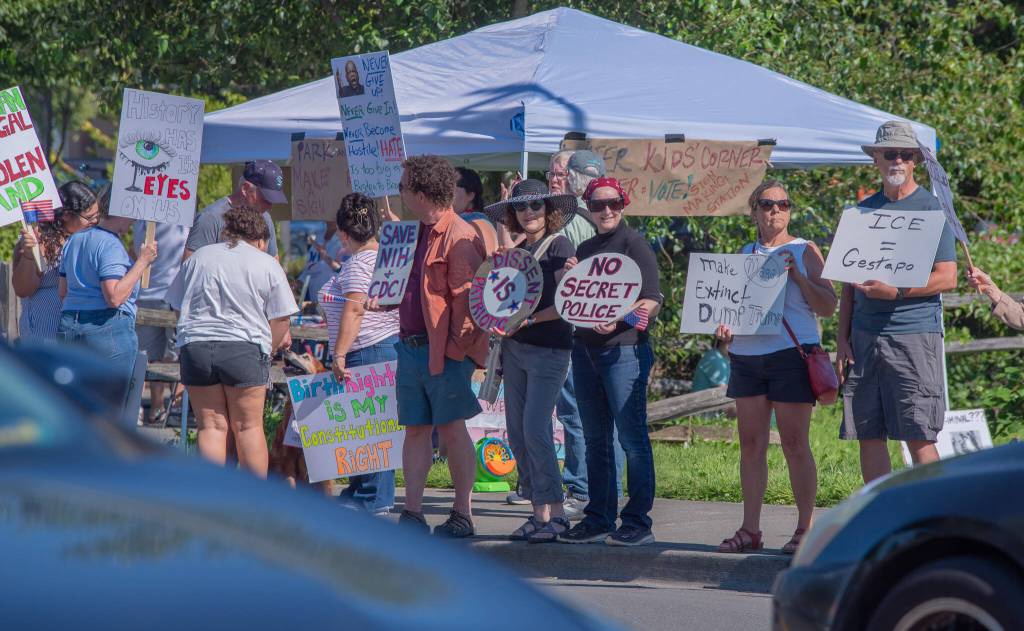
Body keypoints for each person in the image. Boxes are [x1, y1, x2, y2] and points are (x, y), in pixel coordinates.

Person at [714, 180, 837, 555]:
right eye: (767, 204)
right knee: (750, 444)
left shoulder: (805, 250)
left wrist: (798, 278)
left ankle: (805, 528)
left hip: (790, 355)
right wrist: (724, 329)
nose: (775, 211)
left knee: (795, 443)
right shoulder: (745, 253)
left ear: (790, 210)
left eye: (783, 204)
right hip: (748, 356)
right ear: (754, 210)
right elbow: (731, 308)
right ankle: (750, 528)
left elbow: (829, 305)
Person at [369, 155, 487, 538]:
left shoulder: (460, 236)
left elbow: (469, 305)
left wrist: (454, 354)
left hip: (445, 353)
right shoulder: (411, 231)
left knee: (452, 429)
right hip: (410, 347)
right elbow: (400, 290)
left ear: (420, 193)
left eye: (403, 187)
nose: (399, 192)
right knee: (416, 429)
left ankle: (462, 513)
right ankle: (413, 513)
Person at [836, 120, 958, 483]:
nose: (898, 161)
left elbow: (947, 276)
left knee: (919, 433)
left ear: (916, 162)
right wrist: (841, 340)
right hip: (863, 338)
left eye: (906, 154)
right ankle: (883, 519)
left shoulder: (934, 209)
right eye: (890, 153)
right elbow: (847, 282)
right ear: (876, 158)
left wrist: (897, 292)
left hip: (914, 336)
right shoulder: (860, 212)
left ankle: (935, 523)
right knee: (868, 434)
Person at [558, 177, 663, 547]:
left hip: (626, 350)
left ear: (623, 205)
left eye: (614, 203)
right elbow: (574, 298)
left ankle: (637, 521)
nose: (607, 210)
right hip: (585, 349)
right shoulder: (585, 249)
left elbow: (651, 300)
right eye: (599, 204)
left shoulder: (635, 245)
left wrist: (619, 319)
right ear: (588, 206)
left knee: (631, 438)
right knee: (595, 438)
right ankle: (599, 518)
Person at [166, 205, 297, 477]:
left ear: (227, 231)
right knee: (247, 426)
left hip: (196, 345)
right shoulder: (266, 263)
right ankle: (252, 500)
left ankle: (214, 497)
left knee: (211, 426)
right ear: (261, 239)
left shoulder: (198, 257)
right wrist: (268, 350)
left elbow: (177, 305)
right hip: (244, 347)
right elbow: (282, 318)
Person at [483, 179, 580, 542]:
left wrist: (530, 319)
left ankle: (556, 514)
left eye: (536, 206)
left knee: (536, 428)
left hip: (549, 349)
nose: (529, 213)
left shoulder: (559, 246)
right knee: (518, 432)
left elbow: (565, 305)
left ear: (548, 210)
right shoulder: (520, 247)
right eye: (521, 207)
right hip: (514, 348)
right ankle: (538, 513)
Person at [320, 192, 400, 514]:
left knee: (371, 428)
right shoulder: (385, 256)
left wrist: (338, 355)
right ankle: (363, 489)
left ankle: (373, 497)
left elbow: (354, 310)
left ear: (342, 232)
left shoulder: (358, 264)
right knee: (368, 427)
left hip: (367, 348)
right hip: (383, 347)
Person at [58, 190, 158, 399]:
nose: (135, 220)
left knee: (75, 405)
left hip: (70, 325)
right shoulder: (109, 244)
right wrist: (142, 261)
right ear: (123, 209)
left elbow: (63, 291)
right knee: (107, 411)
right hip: (105, 328)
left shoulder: (75, 239)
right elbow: (114, 297)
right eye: (134, 213)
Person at [13, 181, 99, 339]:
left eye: (97, 217)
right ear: (66, 214)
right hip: (44, 332)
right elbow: (22, 289)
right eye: (89, 217)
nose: (94, 222)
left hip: (75, 333)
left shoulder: (83, 239)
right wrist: (28, 255)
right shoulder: (38, 239)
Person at [133, 220, 189, 424]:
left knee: (162, 356)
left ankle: (158, 407)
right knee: (152, 357)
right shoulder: (144, 222)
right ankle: (149, 407)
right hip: (158, 296)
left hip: (164, 296)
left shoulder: (142, 222)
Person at [183, 159, 285, 260]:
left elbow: (274, 265)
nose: (270, 206)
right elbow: (190, 268)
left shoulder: (265, 218)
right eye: (266, 198)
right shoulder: (210, 218)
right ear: (245, 189)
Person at [454, 166, 498, 256]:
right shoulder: (480, 220)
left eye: (452, 186)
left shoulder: (473, 223)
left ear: (470, 195)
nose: (445, 192)